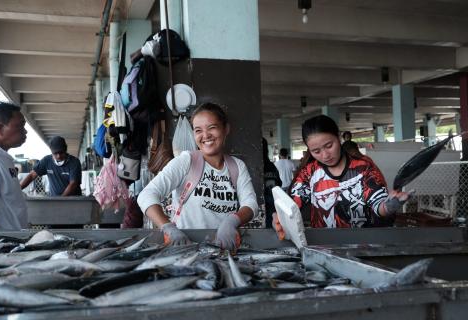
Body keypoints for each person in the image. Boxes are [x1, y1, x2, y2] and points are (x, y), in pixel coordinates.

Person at [137, 102, 258, 250]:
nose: (205, 135)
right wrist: (168, 227)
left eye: (212, 128)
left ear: (226, 129)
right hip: (185, 247)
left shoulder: (237, 166)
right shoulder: (186, 161)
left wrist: (232, 221)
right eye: (198, 130)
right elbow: (147, 195)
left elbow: (251, 204)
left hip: (222, 248)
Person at [273, 115, 411, 233]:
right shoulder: (308, 173)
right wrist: (280, 217)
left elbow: (378, 205)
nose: (325, 155)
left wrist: (389, 206)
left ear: (339, 138)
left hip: (364, 245)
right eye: (316, 151)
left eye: (329, 146)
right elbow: (292, 206)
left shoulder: (363, 167)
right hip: (323, 248)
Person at [0, 101, 28, 230]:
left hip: (14, 238)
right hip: (1, 243)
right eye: (20, 126)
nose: (25, 131)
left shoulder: (2, 156)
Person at [262, 138, 282, 228]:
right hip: (274, 207)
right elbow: (279, 184)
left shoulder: (251, 166)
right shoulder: (272, 166)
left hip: (263, 208)